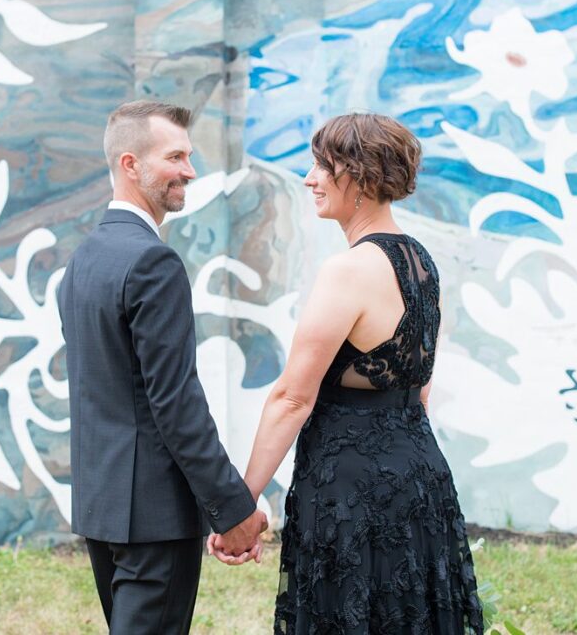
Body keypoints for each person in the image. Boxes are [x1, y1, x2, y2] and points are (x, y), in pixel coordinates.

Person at [210, 113, 484, 633]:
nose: (310, 178)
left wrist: (240, 506)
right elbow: (417, 391)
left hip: (351, 490)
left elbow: (292, 397)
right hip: (420, 478)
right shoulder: (423, 264)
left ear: (358, 176)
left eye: (321, 165)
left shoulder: (348, 270)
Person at [57, 100, 268, 634]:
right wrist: (234, 509)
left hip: (103, 506)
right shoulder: (153, 262)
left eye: (189, 156)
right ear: (130, 164)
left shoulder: (85, 258)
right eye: (175, 156)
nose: (190, 171)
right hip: (153, 513)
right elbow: (174, 403)